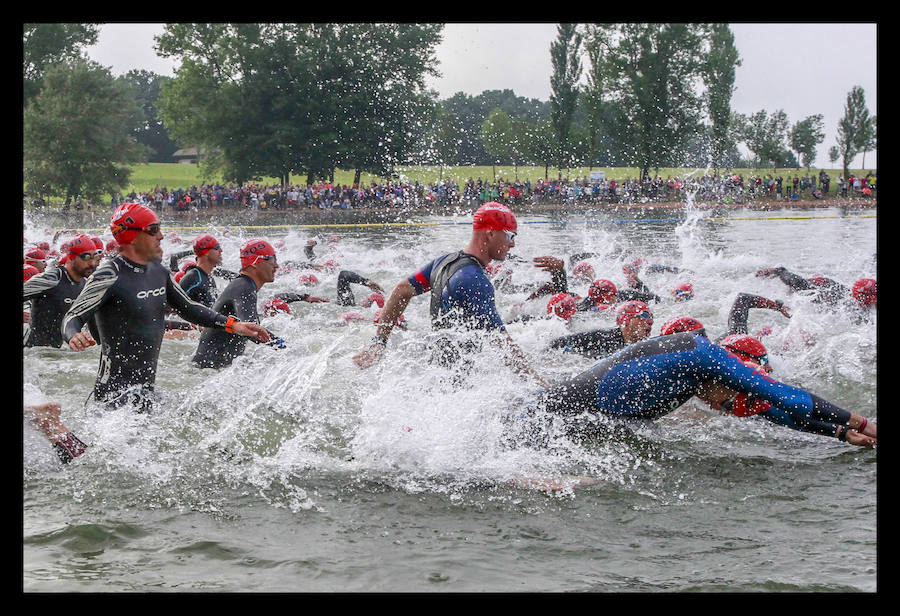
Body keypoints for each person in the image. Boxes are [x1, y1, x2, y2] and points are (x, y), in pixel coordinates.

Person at [61, 203, 270, 411]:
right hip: (113, 395)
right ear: (131, 237)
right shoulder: (109, 274)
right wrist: (73, 334)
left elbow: (188, 307)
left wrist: (233, 325)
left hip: (145, 390)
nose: (161, 236)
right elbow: (74, 315)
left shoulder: (158, 271)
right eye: (153, 230)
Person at [529, 331, 876, 448]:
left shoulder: (700, 377)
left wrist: (840, 434)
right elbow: (784, 396)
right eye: (727, 404)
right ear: (730, 379)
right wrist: (860, 423)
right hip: (550, 412)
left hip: (596, 416)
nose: (718, 408)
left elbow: (776, 414)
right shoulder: (703, 356)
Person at [353, 202, 548, 387]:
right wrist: (540, 386)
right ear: (490, 233)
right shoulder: (474, 279)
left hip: (438, 371)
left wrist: (379, 342)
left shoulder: (445, 262)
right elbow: (502, 343)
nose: (513, 244)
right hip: (461, 384)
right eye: (510, 235)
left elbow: (402, 290)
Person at [191, 238, 286, 369]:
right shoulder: (243, 288)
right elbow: (253, 329)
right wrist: (286, 348)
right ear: (254, 263)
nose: (276, 265)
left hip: (214, 370)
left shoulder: (243, 286)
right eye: (271, 259)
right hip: (208, 373)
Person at [23, 234, 101, 348]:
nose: (92, 263)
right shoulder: (51, 280)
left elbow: (95, 328)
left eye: (95, 257)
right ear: (71, 257)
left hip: (58, 356)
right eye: (86, 257)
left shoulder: (86, 286)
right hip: (32, 352)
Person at [755, 266, 875, 321]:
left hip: (833, 286)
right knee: (801, 286)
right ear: (866, 297)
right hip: (825, 288)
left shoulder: (858, 302)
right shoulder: (845, 304)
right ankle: (779, 270)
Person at [548, 300, 654, 360]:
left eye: (651, 316)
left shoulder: (644, 346)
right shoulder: (600, 338)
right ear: (626, 320)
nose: (650, 321)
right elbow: (556, 344)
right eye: (644, 315)